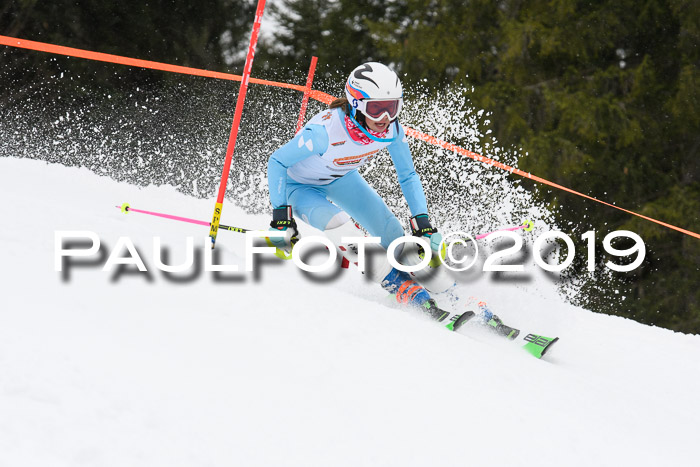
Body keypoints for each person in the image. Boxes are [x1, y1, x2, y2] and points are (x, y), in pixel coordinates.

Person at [265, 62, 517, 339]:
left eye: (392, 107)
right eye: (376, 108)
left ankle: (450, 293)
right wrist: (282, 219)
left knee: (394, 235)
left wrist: (423, 224)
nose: (385, 116)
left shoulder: (392, 131)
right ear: (356, 103)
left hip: (342, 178)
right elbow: (277, 161)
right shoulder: (323, 134)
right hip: (299, 187)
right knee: (343, 229)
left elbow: (407, 175)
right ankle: (398, 284)